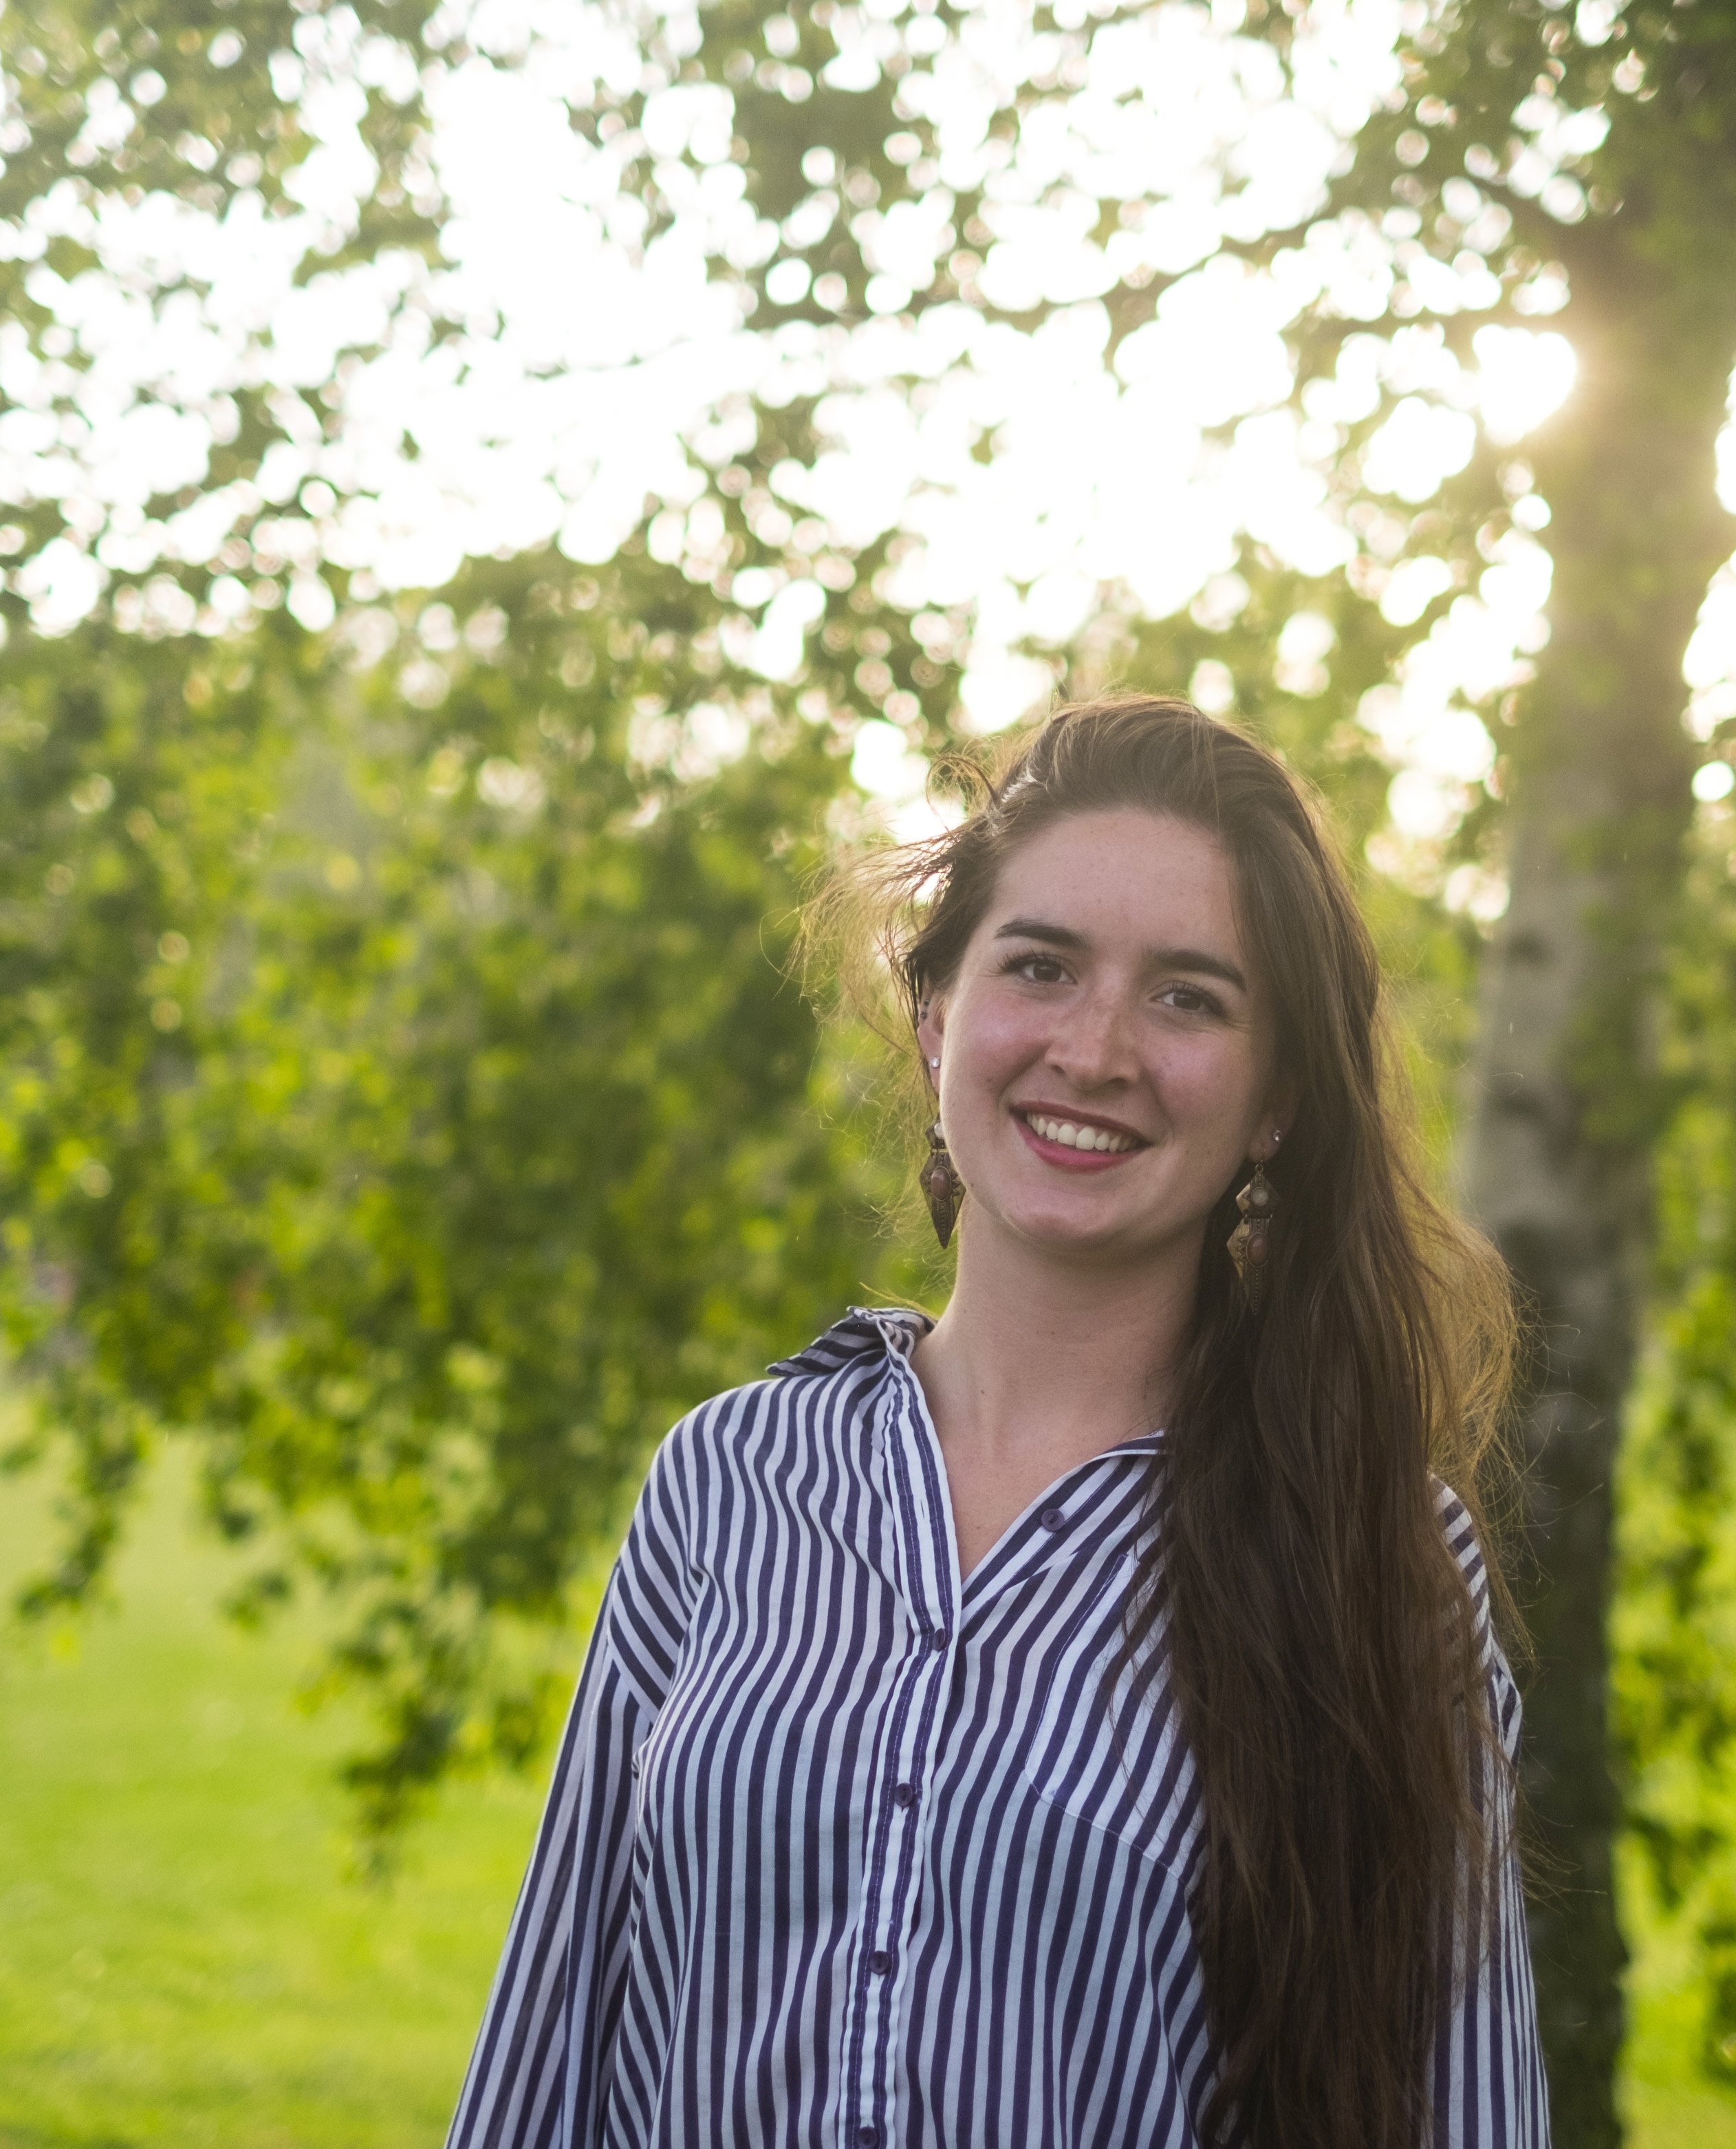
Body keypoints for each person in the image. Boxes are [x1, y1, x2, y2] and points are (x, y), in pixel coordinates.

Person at [444, 695, 1544, 2148]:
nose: (1095, 1050)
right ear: (934, 1017)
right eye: (1041, 966)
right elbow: (547, 2045)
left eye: (1187, 998)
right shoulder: (730, 1475)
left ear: (1274, 1098)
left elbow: (1462, 2106)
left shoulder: (1377, 1552)